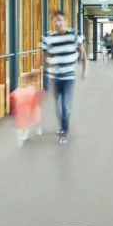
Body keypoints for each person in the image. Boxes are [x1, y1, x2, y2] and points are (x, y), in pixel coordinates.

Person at [41, 10, 87, 144]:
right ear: (52, 23)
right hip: (55, 77)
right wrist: (46, 72)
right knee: (58, 106)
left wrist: (84, 70)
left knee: (65, 105)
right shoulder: (48, 38)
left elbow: (82, 54)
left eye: (60, 20)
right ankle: (62, 126)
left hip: (69, 77)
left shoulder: (74, 35)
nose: (58, 23)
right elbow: (45, 57)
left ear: (65, 21)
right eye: (55, 20)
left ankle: (64, 132)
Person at [10, 73, 45, 144]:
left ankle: (38, 127)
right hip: (24, 108)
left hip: (32, 107)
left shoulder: (31, 89)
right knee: (24, 121)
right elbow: (12, 96)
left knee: (36, 118)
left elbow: (36, 98)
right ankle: (25, 132)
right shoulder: (19, 90)